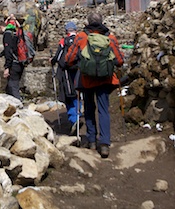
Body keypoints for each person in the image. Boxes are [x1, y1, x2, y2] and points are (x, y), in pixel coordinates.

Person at [76, 12, 124, 158]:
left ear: (87, 22)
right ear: (102, 22)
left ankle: (91, 140)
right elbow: (120, 60)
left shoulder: (81, 37)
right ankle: (104, 144)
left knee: (89, 109)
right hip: (105, 80)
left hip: (87, 80)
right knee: (104, 110)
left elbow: (69, 58)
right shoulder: (110, 38)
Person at [51, 21, 81, 135]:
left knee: (69, 95)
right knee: (78, 92)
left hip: (66, 72)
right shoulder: (80, 40)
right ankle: (79, 112)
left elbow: (58, 56)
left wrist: (52, 61)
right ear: (75, 30)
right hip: (79, 70)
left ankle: (74, 118)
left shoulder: (64, 41)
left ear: (66, 30)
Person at [0, 20, 24, 101]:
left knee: (13, 85)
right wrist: (1, 54)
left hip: (13, 64)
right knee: (10, 86)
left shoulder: (7, 35)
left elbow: (8, 51)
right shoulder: (14, 33)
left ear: (0, 27)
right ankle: (10, 105)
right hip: (21, 61)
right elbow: (12, 48)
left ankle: (18, 104)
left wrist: (7, 67)